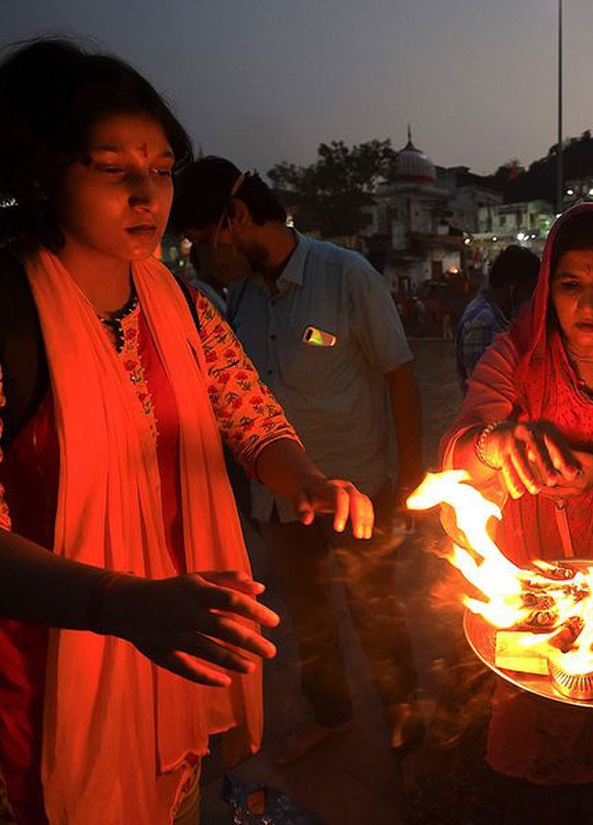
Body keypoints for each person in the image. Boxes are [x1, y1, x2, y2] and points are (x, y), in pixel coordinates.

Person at [0, 39, 373, 824]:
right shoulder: (11, 319)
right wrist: (119, 603)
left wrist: (305, 479)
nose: (148, 195)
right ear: (42, 176)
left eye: (162, 169)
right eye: (113, 169)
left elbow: (252, 417)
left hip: (179, 638)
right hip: (55, 664)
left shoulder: (184, 303)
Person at [435, 203, 593, 821]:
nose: (587, 306)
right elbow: (461, 449)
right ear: (548, 289)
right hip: (531, 575)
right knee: (532, 718)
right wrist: (498, 444)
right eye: (570, 286)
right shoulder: (515, 355)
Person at [170, 157, 425, 765]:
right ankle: (331, 714)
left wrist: (410, 480)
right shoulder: (242, 304)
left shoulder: (347, 276)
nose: (201, 262)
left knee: (375, 608)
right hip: (280, 501)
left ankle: (405, 714)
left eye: (202, 243)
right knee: (309, 617)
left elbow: (401, 380)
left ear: (235, 219)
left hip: (357, 489)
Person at [454, 244, 539, 389]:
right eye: (529, 291)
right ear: (512, 287)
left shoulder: (494, 313)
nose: (532, 299)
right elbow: (486, 389)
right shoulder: (485, 323)